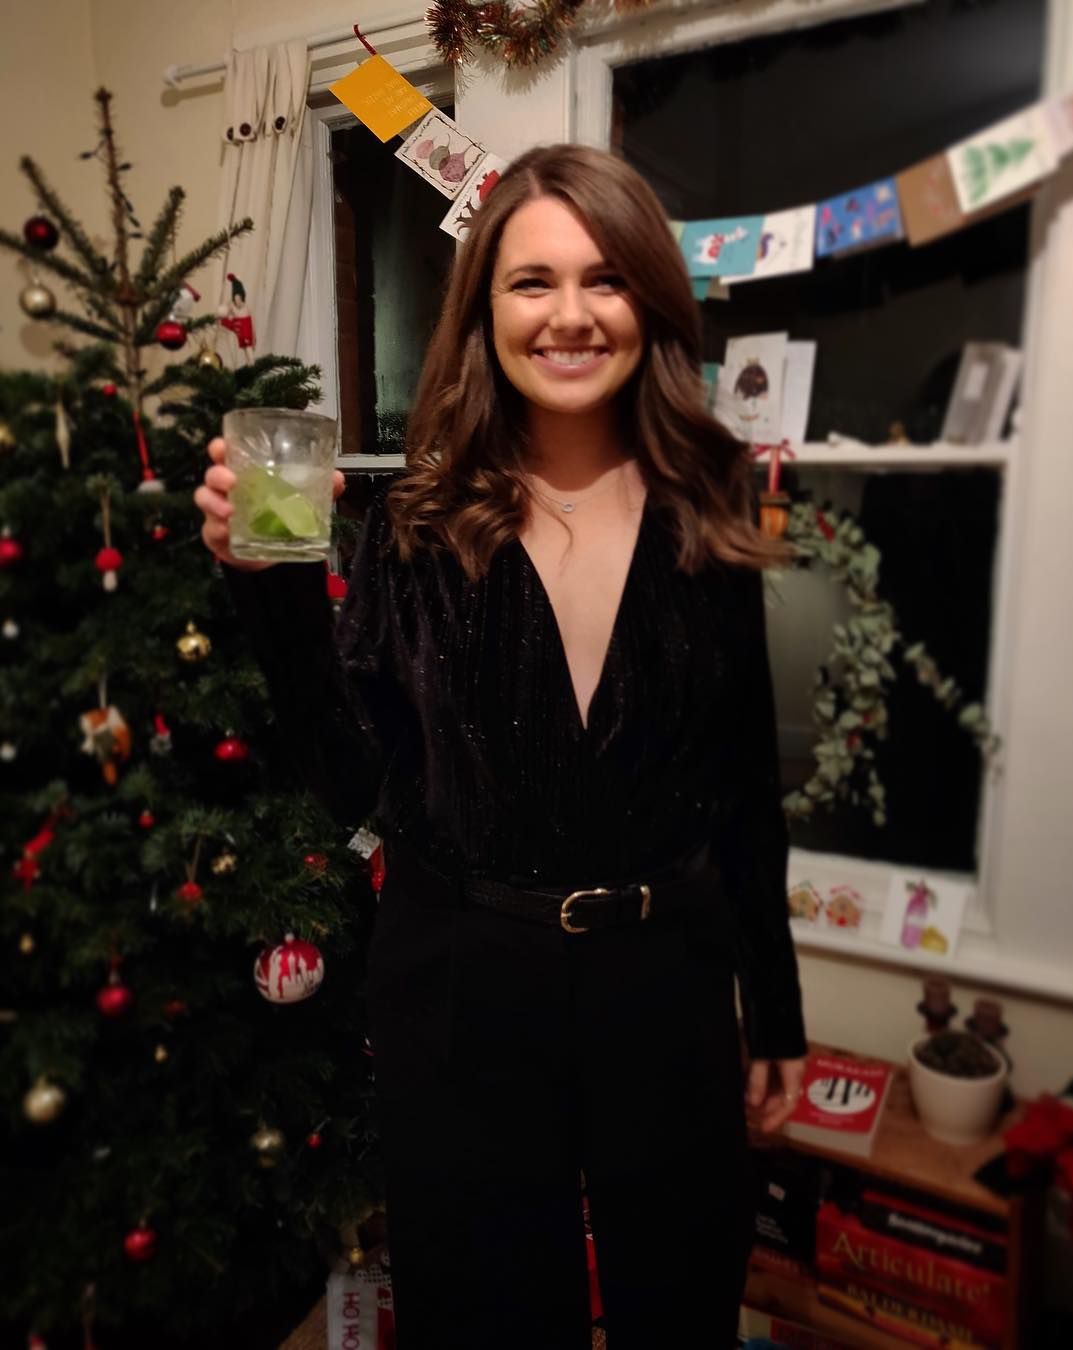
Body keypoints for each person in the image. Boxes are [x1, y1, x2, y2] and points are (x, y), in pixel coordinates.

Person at [195, 144, 807, 1350]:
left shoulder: (709, 508)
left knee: (681, 1307)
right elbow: (350, 778)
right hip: (461, 986)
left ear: (650, 305)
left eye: (606, 278)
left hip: (664, 980)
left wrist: (773, 1008)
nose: (570, 315)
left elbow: (744, 784)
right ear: (483, 310)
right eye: (533, 281)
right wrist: (269, 589)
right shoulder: (415, 526)